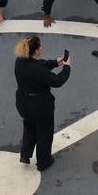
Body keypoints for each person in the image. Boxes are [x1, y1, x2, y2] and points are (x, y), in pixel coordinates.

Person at [13, 35, 71, 171]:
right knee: (44, 132)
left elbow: (39, 65)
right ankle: (43, 162)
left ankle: (25, 154)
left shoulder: (20, 61)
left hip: (22, 103)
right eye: (40, 46)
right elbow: (57, 81)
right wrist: (66, 67)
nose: (42, 48)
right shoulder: (38, 70)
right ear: (36, 51)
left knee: (29, 126)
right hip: (40, 105)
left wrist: (56, 62)